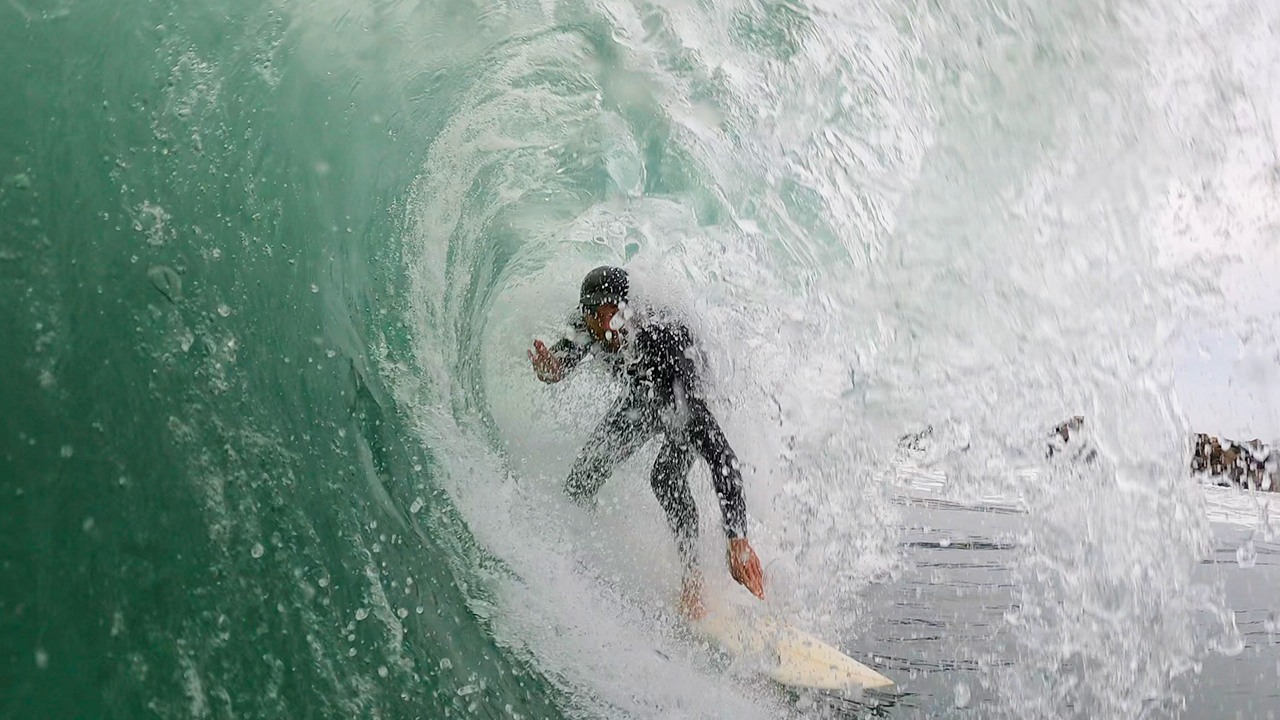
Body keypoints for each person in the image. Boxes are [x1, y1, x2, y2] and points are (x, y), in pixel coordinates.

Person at [528, 266, 765, 619]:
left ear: (629, 310)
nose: (611, 330)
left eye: (618, 317)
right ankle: (583, 542)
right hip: (643, 395)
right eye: (601, 319)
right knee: (583, 478)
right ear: (587, 315)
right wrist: (552, 370)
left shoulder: (659, 343)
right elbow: (563, 363)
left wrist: (738, 539)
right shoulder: (589, 328)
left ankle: (693, 582)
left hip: (679, 386)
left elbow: (722, 458)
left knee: (666, 478)